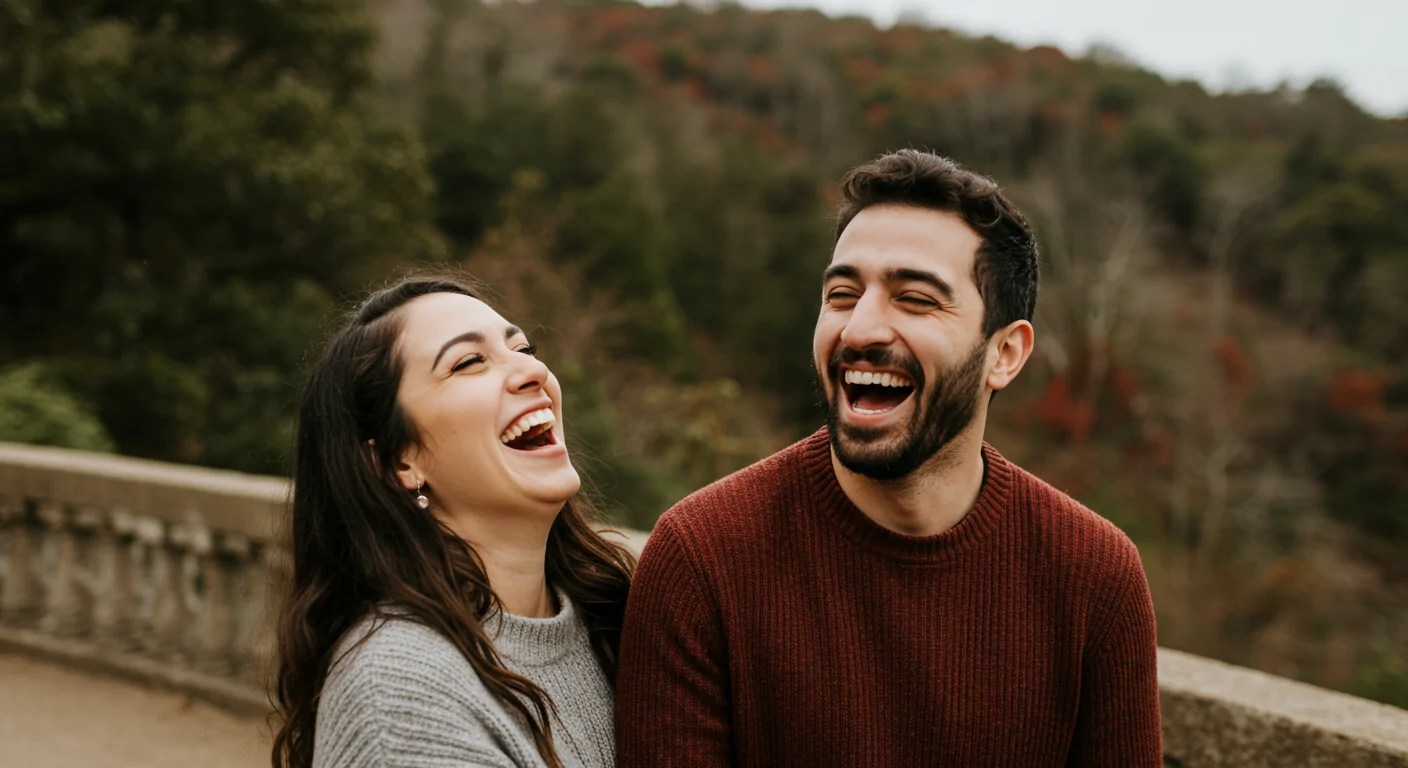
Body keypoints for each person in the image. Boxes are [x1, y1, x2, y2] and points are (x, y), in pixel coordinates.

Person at [615, 150, 1161, 767]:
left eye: (916, 299)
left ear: (1004, 354)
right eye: (842, 294)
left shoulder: (1096, 576)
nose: (859, 330)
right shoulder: (702, 557)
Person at [270, 275, 634, 768]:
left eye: (523, 347)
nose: (531, 372)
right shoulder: (400, 694)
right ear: (400, 462)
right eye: (468, 362)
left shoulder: (619, 622)